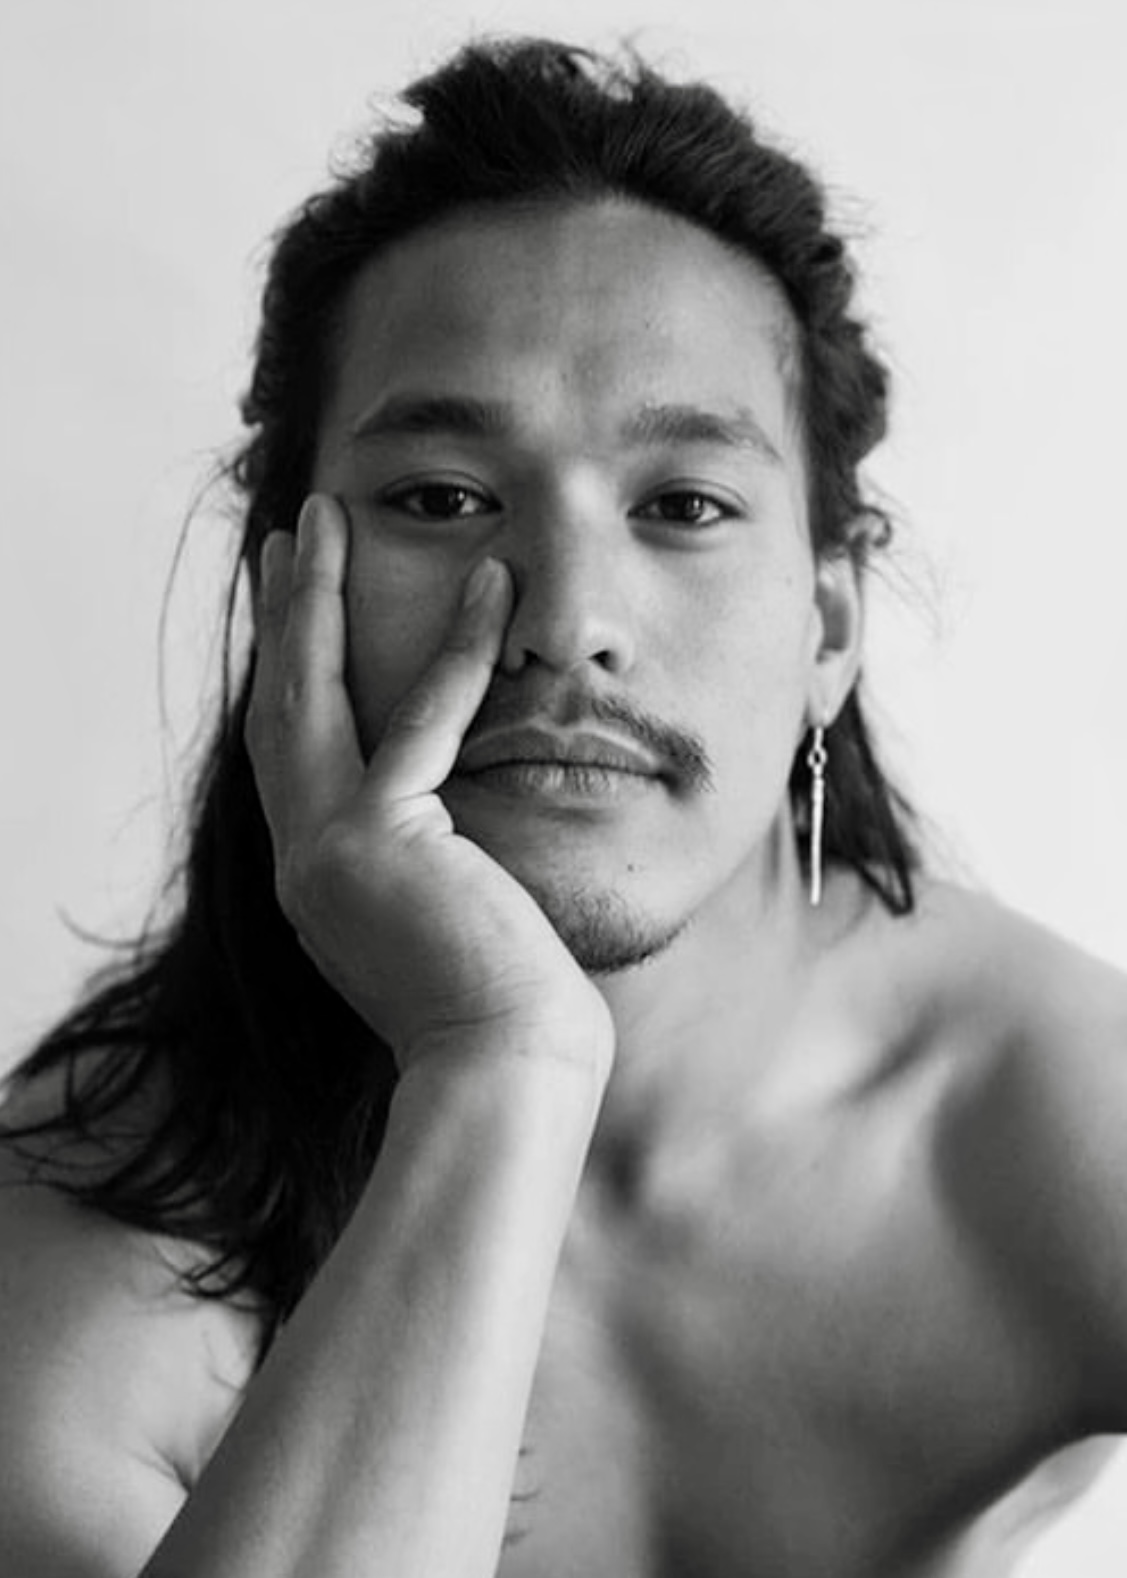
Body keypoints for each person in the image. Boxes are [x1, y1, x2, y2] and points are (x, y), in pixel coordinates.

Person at [1, 32, 1124, 1578]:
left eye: (685, 504)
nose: (566, 619)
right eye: (442, 498)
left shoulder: (1051, 1109)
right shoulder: (92, 1223)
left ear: (831, 629)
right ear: (288, 594)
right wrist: (497, 1058)